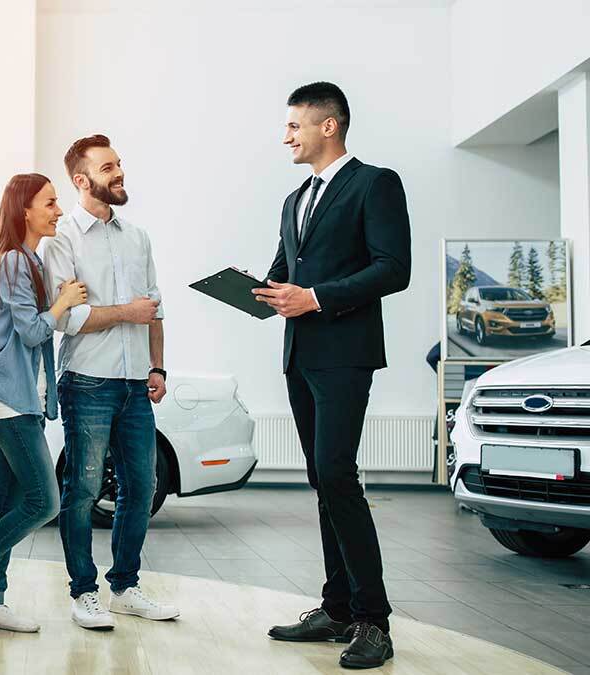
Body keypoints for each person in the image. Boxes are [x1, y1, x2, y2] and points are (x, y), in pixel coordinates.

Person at [254, 82, 410, 669]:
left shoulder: (375, 183)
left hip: (345, 352)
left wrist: (315, 297)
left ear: (329, 126)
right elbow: (282, 271)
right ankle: (338, 607)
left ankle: (374, 621)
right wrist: (257, 291)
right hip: (300, 356)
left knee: (338, 476)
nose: (286, 136)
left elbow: (394, 269)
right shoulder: (294, 199)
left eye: (294, 125)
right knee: (323, 480)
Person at [43, 134, 179, 631]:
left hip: (134, 384)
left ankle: (124, 586)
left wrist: (157, 368)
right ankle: (84, 592)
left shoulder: (137, 237)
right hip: (87, 382)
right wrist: (125, 312)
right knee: (80, 490)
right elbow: (66, 319)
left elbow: (155, 309)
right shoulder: (62, 240)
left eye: (119, 163)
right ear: (81, 180)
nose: (119, 173)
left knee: (140, 488)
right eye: (108, 167)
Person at [0, 173, 88, 632]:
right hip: (8, 399)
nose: (58, 210)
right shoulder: (12, 262)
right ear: (24, 209)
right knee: (45, 501)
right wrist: (63, 302)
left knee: (8, 501)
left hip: (23, 399)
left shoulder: (27, 260)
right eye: (49, 202)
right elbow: (30, 332)